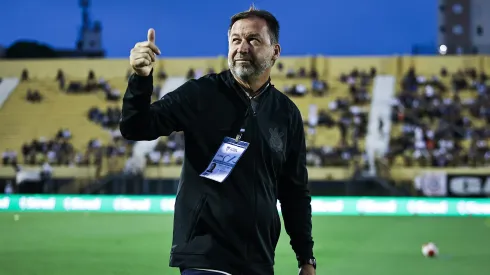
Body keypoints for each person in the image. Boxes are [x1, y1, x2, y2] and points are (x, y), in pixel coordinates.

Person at [120, 6, 315, 275]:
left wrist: (306, 258)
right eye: (235, 40)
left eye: (253, 40)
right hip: (205, 256)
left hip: (259, 260)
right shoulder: (201, 94)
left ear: (275, 51)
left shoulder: (287, 113)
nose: (242, 48)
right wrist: (141, 80)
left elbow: (295, 193)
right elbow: (136, 127)